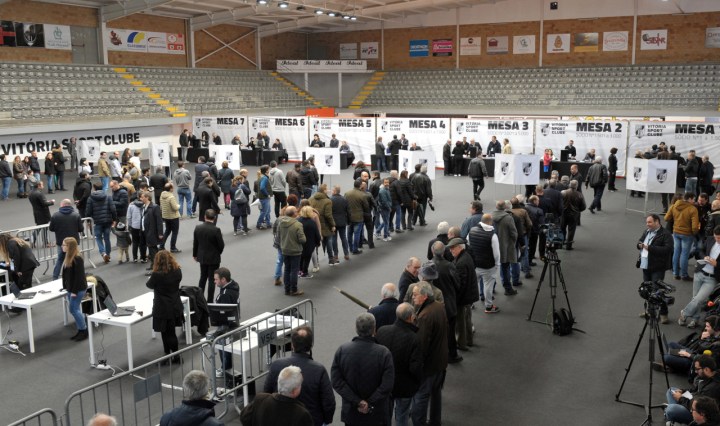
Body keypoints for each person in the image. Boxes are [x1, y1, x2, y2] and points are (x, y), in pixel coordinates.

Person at [263, 326, 335, 426]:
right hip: (311, 421)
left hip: (281, 419)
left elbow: (266, 393)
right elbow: (329, 402)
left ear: (292, 345)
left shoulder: (276, 365)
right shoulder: (319, 370)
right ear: (311, 345)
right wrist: (326, 421)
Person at [331, 313, 394, 426]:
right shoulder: (384, 353)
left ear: (356, 328)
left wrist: (358, 402)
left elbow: (337, 381)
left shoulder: (342, 350)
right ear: (374, 329)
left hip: (352, 413)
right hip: (377, 413)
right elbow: (387, 385)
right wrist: (369, 403)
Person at [375, 303, 423, 426]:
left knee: (385, 415)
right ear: (411, 317)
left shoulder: (382, 331)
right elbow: (415, 367)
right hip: (405, 386)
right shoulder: (414, 338)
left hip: (385, 384)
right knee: (402, 415)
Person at [410, 281, 448, 426]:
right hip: (441, 360)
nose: (413, 297)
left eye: (415, 294)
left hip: (429, 366)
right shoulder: (439, 306)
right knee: (436, 393)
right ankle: (435, 421)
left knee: (421, 396)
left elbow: (421, 345)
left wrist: (416, 366)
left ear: (424, 296)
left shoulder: (425, 316)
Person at [242, 365, 313, 426]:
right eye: (300, 385)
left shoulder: (260, 399)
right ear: (294, 391)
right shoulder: (302, 414)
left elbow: (244, 418)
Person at [146, 251, 184, 363]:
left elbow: (149, 285)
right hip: (175, 305)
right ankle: (172, 356)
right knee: (170, 332)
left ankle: (171, 356)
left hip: (162, 308)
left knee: (166, 333)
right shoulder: (177, 270)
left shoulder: (157, 275)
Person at [679, 226, 720, 329]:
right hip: (700, 272)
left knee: (698, 299)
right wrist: (704, 257)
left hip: (712, 278)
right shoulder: (710, 239)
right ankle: (695, 320)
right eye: (715, 237)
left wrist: (717, 264)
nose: (717, 239)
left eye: (719, 238)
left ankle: (684, 313)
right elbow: (700, 251)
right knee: (695, 298)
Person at [636, 214, 674, 324]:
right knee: (648, 291)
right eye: (647, 222)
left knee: (657, 291)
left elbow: (667, 249)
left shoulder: (666, 234)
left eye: (650, 222)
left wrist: (650, 248)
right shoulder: (647, 232)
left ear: (657, 222)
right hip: (645, 266)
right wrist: (639, 245)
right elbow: (639, 241)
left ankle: (663, 314)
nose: (647, 224)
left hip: (657, 267)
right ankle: (650, 312)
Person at [665, 355, 720, 425]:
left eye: (697, 369)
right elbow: (696, 389)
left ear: (706, 369)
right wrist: (683, 391)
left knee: (671, 409)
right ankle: (673, 415)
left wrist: (681, 398)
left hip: (699, 414)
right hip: (693, 401)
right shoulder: (707, 376)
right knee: (671, 390)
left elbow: (698, 406)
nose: (695, 371)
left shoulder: (713, 388)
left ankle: (672, 414)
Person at [447, 237, 479, 350]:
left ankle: (461, 343)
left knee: (461, 322)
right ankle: (469, 340)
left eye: (452, 248)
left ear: (459, 247)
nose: (451, 250)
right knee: (467, 319)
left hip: (463, 298)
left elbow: (461, 285)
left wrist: (456, 300)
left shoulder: (461, 263)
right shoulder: (466, 256)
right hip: (468, 296)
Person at [666, 192, 700, 281]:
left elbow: (666, 218)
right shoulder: (692, 209)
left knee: (676, 252)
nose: (694, 201)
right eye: (693, 199)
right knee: (684, 254)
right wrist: (694, 233)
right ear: (689, 199)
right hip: (687, 234)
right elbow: (695, 226)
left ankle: (675, 273)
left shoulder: (674, 206)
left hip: (676, 232)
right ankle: (684, 275)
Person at [193, 209, 225, 302]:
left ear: (205, 217)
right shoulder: (216, 230)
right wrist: (217, 253)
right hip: (213, 258)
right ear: (214, 218)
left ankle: (199, 299)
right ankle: (209, 301)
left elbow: (196, 243)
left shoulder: (198, 228)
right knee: (212, 279)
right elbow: (221, 245)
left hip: (202, 257)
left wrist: (195, 254)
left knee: (202, 277)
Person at [60, 237, 88, 341]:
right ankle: (80, 330)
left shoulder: (77, 258)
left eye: (64, 245)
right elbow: (67, 275)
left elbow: (78, 277)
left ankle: (83, 330)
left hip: (77, 289)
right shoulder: (68, 256)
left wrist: (74, 291)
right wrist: (66, 287)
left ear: (69, 247)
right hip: (71, 288)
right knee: (74, 309)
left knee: (73, 309)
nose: (62, 246)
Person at [491, 200, 519, 295]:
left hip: (492, 247)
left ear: (496, 207)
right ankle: (508, 289)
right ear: (505, 207)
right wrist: (512, 243)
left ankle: (491, 288)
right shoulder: (508, 218)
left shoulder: (490, 217)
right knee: (505, 268)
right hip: (505, 247)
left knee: (492, 269)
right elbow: (514, 233)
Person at [85, 182, 117, 263]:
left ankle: (103, 253)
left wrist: (88, 221)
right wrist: (114, 219)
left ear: (94, 188)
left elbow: (88, 211)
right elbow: (113, 209)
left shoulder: (90, 198)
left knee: (98, 238)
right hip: (107, 220)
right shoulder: (108, 197)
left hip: (97, 221)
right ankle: (108, 254)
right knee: (107, 238)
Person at [278, 206, 306, 296]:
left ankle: (287, 289)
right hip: (295, 250)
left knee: (287, 269)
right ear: (294, 214)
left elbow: (278, 236)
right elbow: (302, 240)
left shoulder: (280, 222)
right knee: (294, 270)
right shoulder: (298, 224)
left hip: (284, 249)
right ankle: (294, 289)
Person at [309, 184, 336, 266]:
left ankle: (316, 261)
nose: (328, 190)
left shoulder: (311, 199)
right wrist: (333, 225)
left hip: (313, 224)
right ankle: (331, 259)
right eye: (326, 189)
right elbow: (328, 215)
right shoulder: (328, 201)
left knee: (315, 244)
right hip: (325, 225)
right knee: (328, 241)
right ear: (324, 191)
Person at [139, 190, 163, 275]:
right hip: (145, 232)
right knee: (152, 250)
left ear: (147, 197)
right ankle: (154, 265)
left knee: (153, 251)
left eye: (142, 197)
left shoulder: (155, 207)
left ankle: (155, 269)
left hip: (152, 232)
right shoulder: (144, 206)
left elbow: (159, 221)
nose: (140, 198)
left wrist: (160, 233)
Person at [561, 180, 586, 250]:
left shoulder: (563, 192)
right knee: (571, 230)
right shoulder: (579, 194)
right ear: (577, 186)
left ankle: (562, 242)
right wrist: (577, 211)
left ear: (569, 185)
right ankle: (568, 246)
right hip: (574, 215)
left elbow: (559, 202)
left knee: (562, 228)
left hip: (564, 214)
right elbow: (583, 207)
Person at [345, 180, 368, 255]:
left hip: (349, 217)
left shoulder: (347, 193)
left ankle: (350, 248)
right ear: (360, 185)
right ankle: (355, 249)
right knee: (357, 234)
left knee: (349, 234)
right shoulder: (362, 195)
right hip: (358, 217)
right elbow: (366, 206)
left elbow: (344, 204)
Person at [298, 205, 321, 278]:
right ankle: (305, 272)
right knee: (307, 258)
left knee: (301, 257)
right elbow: (316, 234)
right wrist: (318, 242)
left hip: (299, 243)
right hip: (309, 243)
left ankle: (299, 271)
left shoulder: (298, 220)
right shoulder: (312, 222)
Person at [331, 185, 350, 262]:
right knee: (343, 238)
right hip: (342, 221)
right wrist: (348, 221)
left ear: (335, 191)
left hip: (334, 223)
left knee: (334, 239)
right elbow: (348, 211)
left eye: (332, 190)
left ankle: (336, 255)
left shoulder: (330, 200)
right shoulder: (344, 199)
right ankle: (346, 253)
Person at [160, 183, 181, 253]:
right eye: (173, 187)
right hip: (173, 217)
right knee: (175, 232)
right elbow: (175, 208)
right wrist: (179, 206)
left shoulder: (162, 195)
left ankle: (161, 246)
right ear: (170, 189)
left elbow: (161, 206)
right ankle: (173, 247)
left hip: (166, 216)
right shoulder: (171, 197)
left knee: (167, 231)